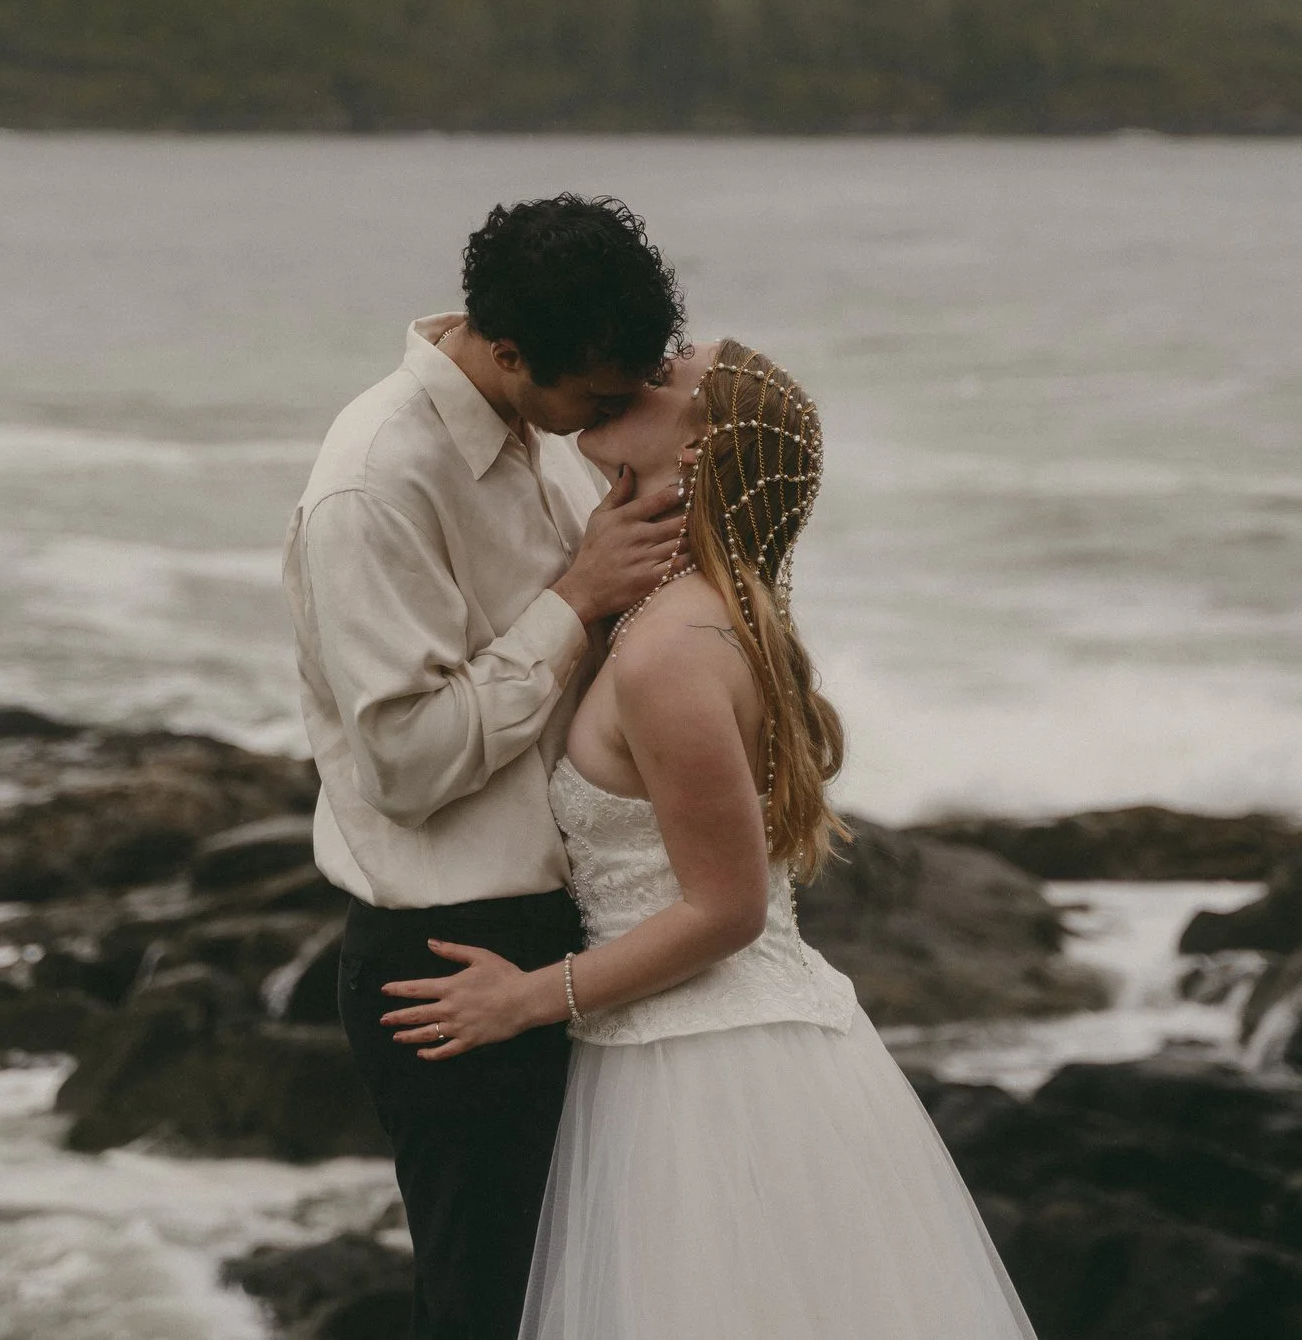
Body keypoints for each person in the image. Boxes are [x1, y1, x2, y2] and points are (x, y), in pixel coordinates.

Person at [377, 338, 1040, 1340]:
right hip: (701, 1046)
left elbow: (724, 908)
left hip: (704, 1075)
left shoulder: (672, 650)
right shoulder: (688, 614)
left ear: (699, 452)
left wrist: (523, 996)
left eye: (658, 379)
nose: (626, 374)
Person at [283, 194, 691, 1340]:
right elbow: (406, 759)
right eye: (596, 397)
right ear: (506, 351)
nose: (603, 417)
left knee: (578, 1299)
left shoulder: (539, 434)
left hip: (563, 932)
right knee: (490, 1308)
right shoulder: (376, 482)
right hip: (449, 951)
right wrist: (579, 595)